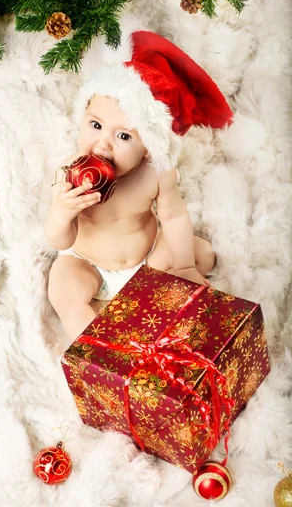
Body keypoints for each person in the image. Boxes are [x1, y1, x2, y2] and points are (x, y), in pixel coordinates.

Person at [44, 31, 233, 344]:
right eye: (95, 125)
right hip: (87, 263)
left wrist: (184, 265)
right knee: (63, 290)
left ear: (149, 147)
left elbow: (172, 217)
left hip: (145, 260)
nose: (104, 143)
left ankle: (171, 296)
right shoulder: (72, 172)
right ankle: (103, 351)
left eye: (124, 136)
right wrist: (63, 212)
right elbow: (58, 238)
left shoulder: (156, 172)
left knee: (203, 256)